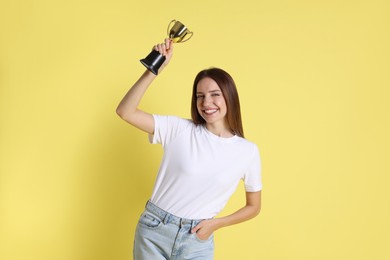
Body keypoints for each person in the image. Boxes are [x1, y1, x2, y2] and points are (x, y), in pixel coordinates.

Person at [116, 38, 262, 260]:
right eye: (200, 96)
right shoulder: (179, 129)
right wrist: (154, 69)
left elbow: (253, 206)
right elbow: (125, 111)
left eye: (215, 94)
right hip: (154, 230)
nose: (206, 102)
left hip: (197, 238)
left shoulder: (247, 152)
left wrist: (216, 224)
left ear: (229, 96)